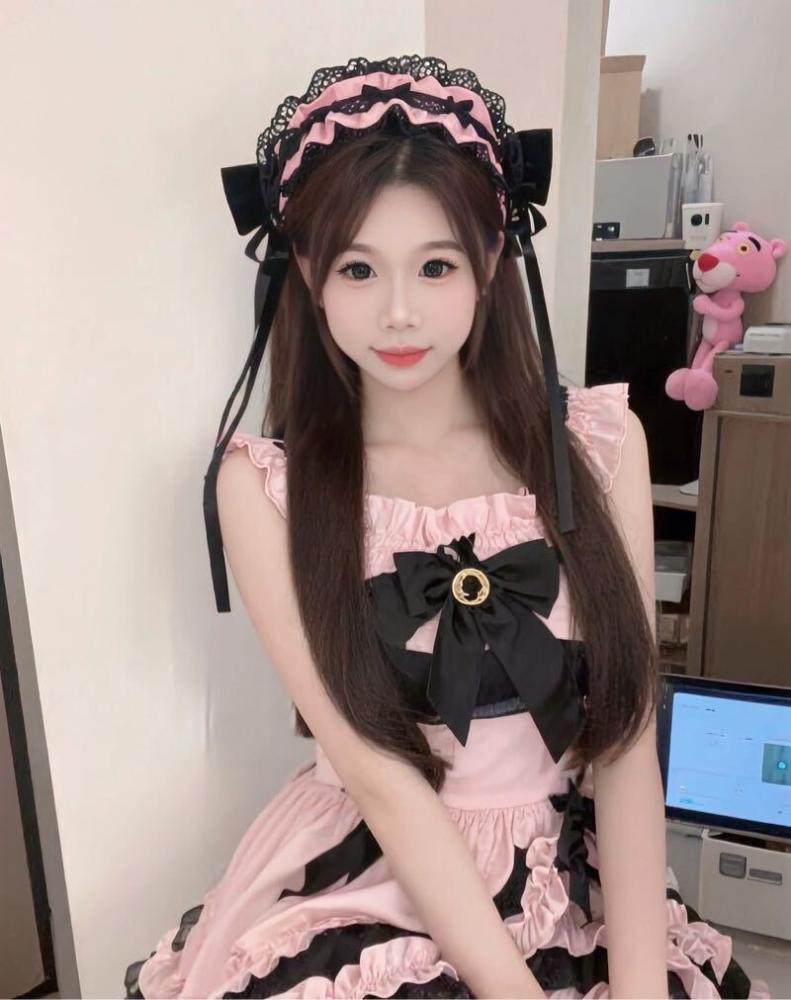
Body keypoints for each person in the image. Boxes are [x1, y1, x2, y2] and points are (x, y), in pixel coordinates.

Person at [124, 56, 771, 999]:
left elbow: (625, 738)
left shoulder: (599, 445)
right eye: (357, 268)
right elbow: (377, 777)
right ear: (307, 275)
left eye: (435, 266)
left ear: (491, 263)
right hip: (377, 873)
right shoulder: (266, 489)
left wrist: (636, 985)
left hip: (573, 872)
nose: (398, 312)